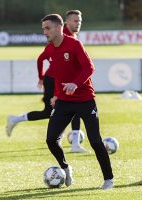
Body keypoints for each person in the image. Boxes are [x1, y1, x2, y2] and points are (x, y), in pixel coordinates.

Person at [41, 14, 114, 189]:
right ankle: (66, 168)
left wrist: (75, 83)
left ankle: (109, 179)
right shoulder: (50, 49)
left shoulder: (74, 44)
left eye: (47, 28)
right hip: (64, 101)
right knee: (51, 140)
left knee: (95, 141)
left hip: (85, 100)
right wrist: (57, 95)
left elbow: (90, 67)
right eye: (43, 29)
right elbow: (59, 75)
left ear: (59, 28)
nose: (45, 32)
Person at [6, 10, 89, 153]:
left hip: (61, 80)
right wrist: (42, 77)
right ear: (66, 23)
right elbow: (41, 58)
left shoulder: (72, 38)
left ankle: (71, 142)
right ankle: (73, 143)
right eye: (75, 21)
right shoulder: (61, 37)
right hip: (54, 80)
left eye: (80, 21)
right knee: (56, 110)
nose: (78, 23)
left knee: (61, 110)